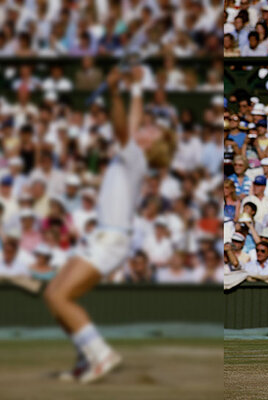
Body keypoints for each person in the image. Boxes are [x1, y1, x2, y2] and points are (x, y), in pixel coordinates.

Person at [43, 66, 176, 383]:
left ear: (152, 145)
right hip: (102, 237)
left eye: (152, 130)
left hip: (111, 240)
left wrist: (115, 92)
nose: (146, 127)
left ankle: (102, 355)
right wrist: (135, 88)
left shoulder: (136, 156)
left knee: (61, 298)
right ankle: (86, 359)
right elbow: (132, 122)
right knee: (52, 294)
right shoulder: (135, 153)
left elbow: (121, 128)